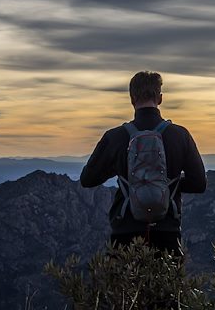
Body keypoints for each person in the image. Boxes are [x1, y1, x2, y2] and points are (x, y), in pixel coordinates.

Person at [80, 71, 207, 258]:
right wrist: (166, 182)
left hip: (125, 233)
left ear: (132, 99)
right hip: (167, 232)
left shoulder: (114, 137)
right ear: (160, 98)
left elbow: (87, 180)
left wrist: (121, 170)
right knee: (167, 287)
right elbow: (199, 184)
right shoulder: (180, 135)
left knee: (122, 287)